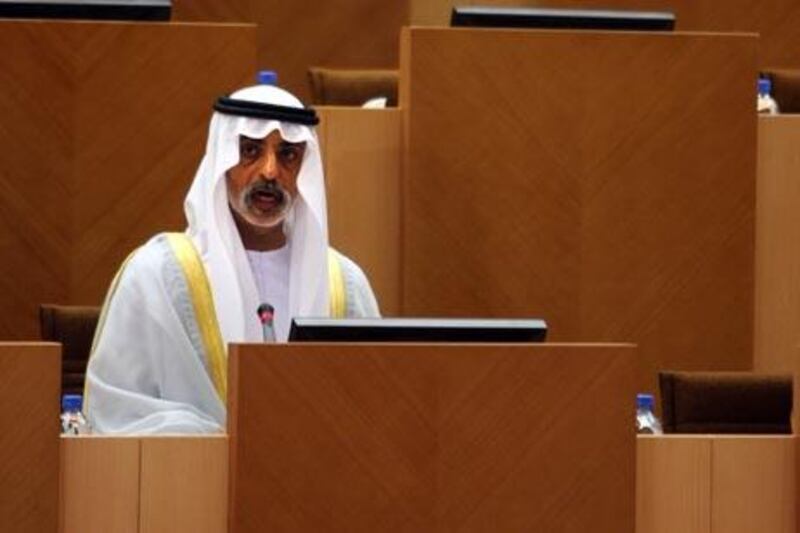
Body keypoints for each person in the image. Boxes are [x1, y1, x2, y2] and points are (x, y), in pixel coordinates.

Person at [84, 84, 380, 434]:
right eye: (250, 151)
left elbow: (374, 407)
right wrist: (228, 442)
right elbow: (116, 412)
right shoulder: (156, 275)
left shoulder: (343, 284)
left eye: (288, 155)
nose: (270, 172)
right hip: (188, 479)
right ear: (221, 160)